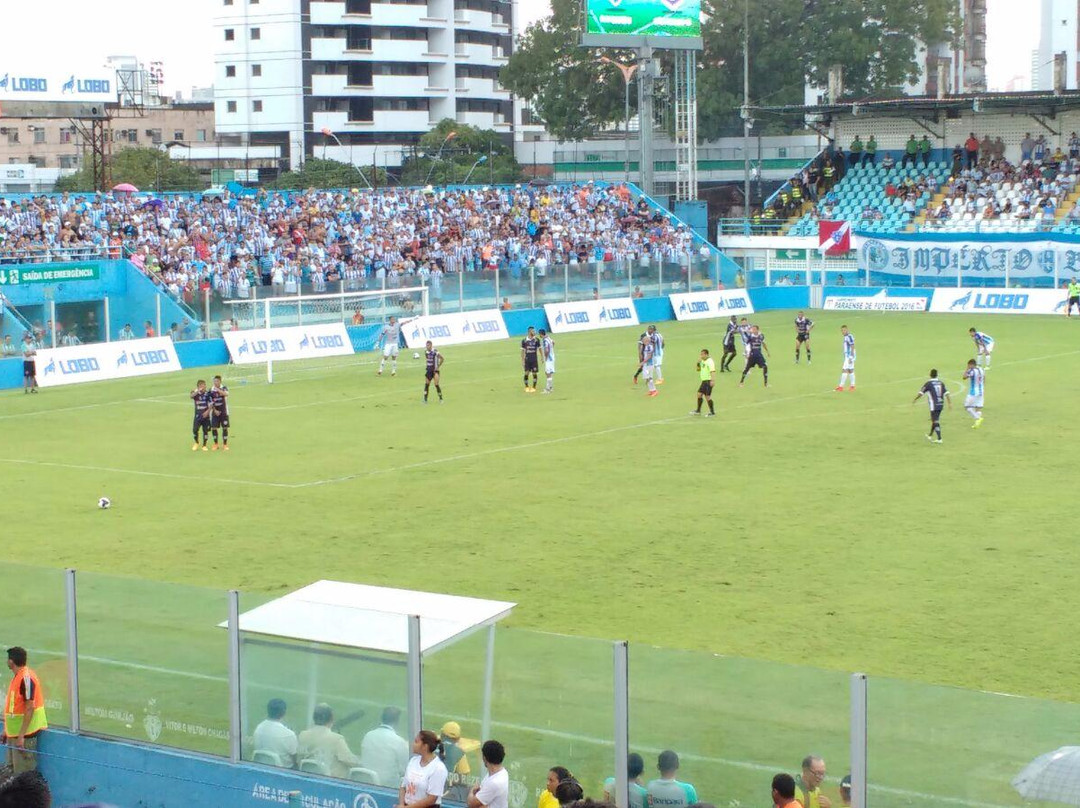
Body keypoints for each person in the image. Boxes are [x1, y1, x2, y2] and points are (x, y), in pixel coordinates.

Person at [2, 648, 47, 775]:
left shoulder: (25, 679)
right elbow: (14, 707)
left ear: (11, 661)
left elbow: (29, 707)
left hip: (24, 736)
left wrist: (21, 736)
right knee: (11, 772)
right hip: (15, 734)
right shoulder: (18, 677)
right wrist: (7, 730)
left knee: (24, 776)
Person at [298, 703, 361, 779]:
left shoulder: (303, 735)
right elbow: (350, 760)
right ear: (331, 719)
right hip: (331, 781)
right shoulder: (336, 739)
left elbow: (298, 758)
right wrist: (361, 761)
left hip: (307, 777)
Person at [398, 729, 449, 808]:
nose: (413, 744)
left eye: (416, 742)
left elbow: (431, 799)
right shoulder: (413, 761)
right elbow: (403, 786)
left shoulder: (438, 768)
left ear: (425, 746)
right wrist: (401, 805)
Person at [362, 706, 410, 787]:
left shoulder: (368, 735)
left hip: (366, 781)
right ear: (397, 721)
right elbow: (405, 768)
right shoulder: (398, 741)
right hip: (388, 786)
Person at [252, 698, 298, 769]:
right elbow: (295, 758)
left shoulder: (259, 728)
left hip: (262, 767)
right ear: (284, 712)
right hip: (284, 770)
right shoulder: (289, 734)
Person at [913, 369, 951, 444]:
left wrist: (915, 399)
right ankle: (930, 435)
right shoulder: (941, 383)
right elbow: (947, 393)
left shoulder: (928, 384)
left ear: (930, 374)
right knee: (934, 420)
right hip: (941, 404)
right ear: (937, 375)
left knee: (935, 421)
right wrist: (950, 403)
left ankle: (939, 439)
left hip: (934, 405)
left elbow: (921, 393)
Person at [467, 740, 509, 808]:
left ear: (484, 758)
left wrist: (472, 791)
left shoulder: (494, 783)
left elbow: (471, 803)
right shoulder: (502, 772)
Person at [439, 722, 472, 801]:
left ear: (441, 735)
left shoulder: (431, 746)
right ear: (458, 738)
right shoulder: (459, 753)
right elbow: (464, 779)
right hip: (444, 795)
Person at [689, 349, 716, 417]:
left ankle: (712, 412)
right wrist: (698, 363)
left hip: (708, 381)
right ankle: (698, 410)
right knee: (699, 394)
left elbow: (712, 371)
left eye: (702, 354)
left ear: (706, 354)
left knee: (707, 397)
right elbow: (698, 370)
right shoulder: (702, 361)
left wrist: (712, 380)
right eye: (701, 354)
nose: (701, 356)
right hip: (704, 381)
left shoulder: (710, 361)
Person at [209, 375, 230, 451]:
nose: (215, 382)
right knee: (214, 428)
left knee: (225, 427)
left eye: (217, 381)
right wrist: (214, 410)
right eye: (214, 381)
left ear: (220, 381)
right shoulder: (210, 390)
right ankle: (216, 444)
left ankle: (225, 444)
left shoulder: (224, 388)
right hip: (215, 412)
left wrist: (217, 389)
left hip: (224, 412)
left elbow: (226, 394)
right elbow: (210, 402)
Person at [190, 380, 213, 451]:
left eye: (204, 385)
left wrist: (207, 412)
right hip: (198, 416)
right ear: (198, 386)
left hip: (206, 416)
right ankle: (196, 442)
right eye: (202, 386)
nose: (203, 387)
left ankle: (204, 445)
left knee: (205, 431)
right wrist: (197, 391)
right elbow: (191, 396)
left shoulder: (208, 394)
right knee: (195, 430)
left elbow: (211, 404)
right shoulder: (195, 393)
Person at [963, 358, 985, 429]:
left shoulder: (972, 371)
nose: (968, 366)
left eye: (969, 365)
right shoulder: (981, 369)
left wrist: (966, 369)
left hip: (973, 392)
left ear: (971, 364)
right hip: (981, 391)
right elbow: (984, 378)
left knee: (967, 407)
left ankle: (977, 418)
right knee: (978, 408)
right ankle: (977, 424)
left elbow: (964, 377)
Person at [835, 326, 855, 392]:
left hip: (849, 356)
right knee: (850, 370)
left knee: (844, 370)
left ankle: (841, 386)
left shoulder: (849, 336)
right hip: (848, 355)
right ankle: (852, 386)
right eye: (842, 331)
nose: (843, 332)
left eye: (844, 330)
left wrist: (851, 357)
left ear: (847, 330)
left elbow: (852, 346)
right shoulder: (846, 337)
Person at [521, 326, 541, 392]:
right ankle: (526, 386)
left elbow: (540, 348)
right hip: (527, 359)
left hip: (534, 359)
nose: (534, 332)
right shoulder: (524, 340)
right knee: (526, 373)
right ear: (529, 332)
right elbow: (523, 351)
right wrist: (522, 360)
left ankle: (534, 387)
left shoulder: (537, 340)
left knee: (534, 373)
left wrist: (542, 357)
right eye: (533, 331)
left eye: (534, 331)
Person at [540, 328, 555, 394]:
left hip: (549, 359)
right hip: (552, 357)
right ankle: (551, 388)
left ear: (541, 334)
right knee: (549, 373)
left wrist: (546, 356)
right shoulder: (548, 338)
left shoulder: (545, 340)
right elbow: (553, 342)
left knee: (547, 373)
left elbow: (546, 350)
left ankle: (547, 389)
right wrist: (552, 349)